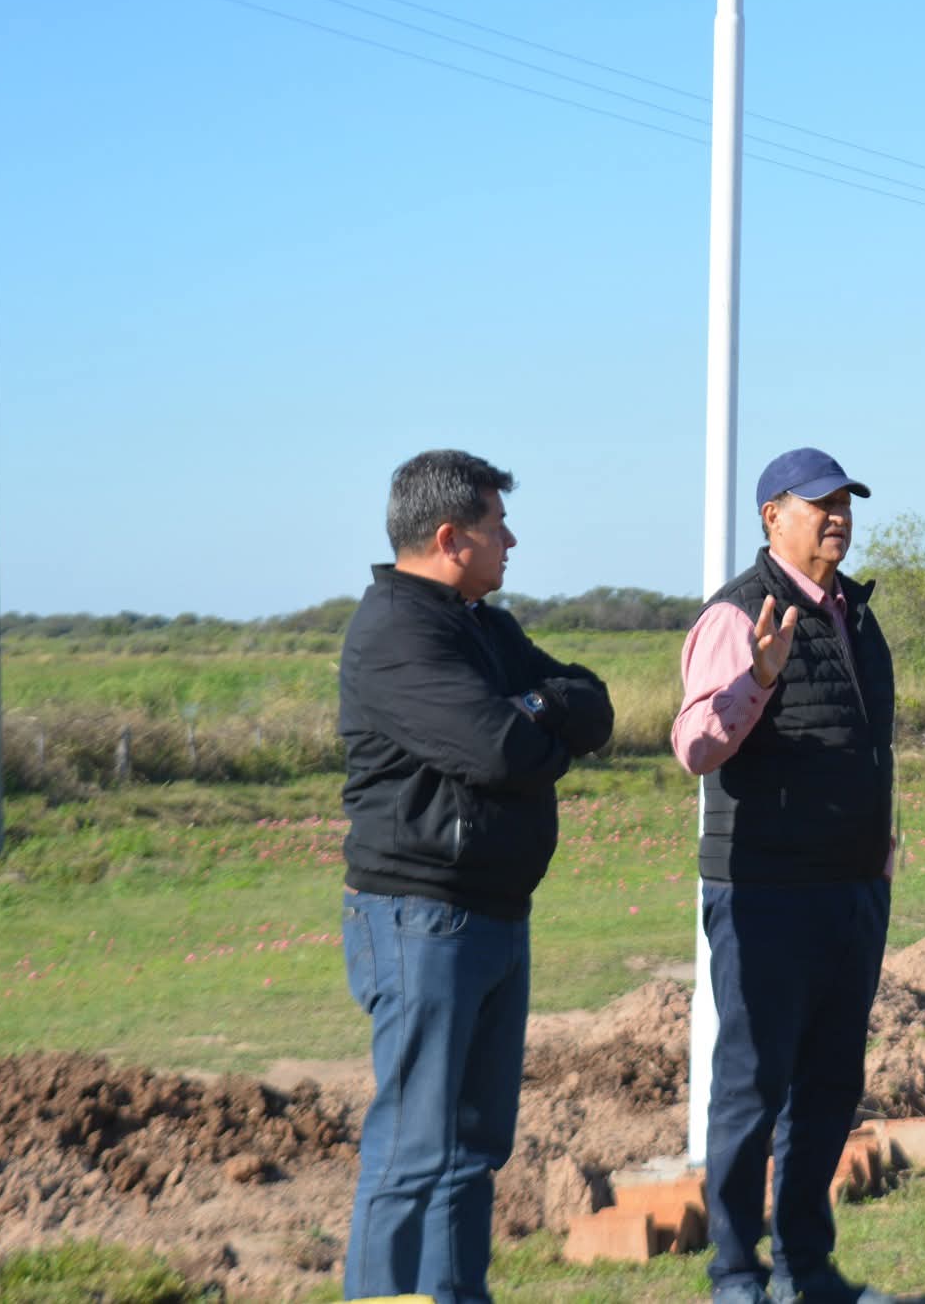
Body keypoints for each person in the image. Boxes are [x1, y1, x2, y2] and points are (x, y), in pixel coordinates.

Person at [337, 450, 613, 1303]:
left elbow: (592, 703)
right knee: (413, 1147)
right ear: (451, 536)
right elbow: (499, 751)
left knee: (472, 1147)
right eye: (500, 525)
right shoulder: (396, 632)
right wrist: (533, 725)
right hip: (421, 917)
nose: (512, 541)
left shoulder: (482, 626)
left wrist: (537, 707)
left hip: (492, 913)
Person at [673, 447, 896, 1304]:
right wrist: (757, 680)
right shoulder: (738, 615)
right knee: (752, 1085)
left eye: (845, 503)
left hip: (851, 889)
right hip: (765, 893)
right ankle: (736, 1271)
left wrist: (878, 856)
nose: (838, 517)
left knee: (829, 1085)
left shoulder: (853, 615)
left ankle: (807, 1268)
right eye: (819, 504)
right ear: (772, 515)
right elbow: (695, 745)